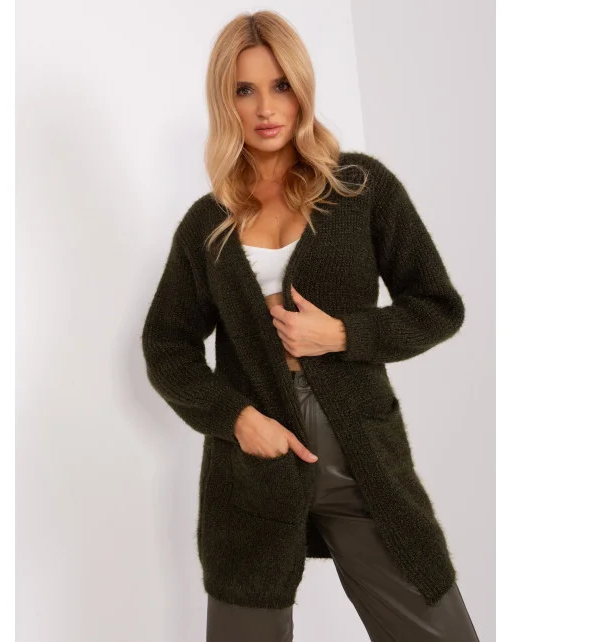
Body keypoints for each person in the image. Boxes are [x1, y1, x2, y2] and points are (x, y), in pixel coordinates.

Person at [141, 10, 480, 642]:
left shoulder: (360, 189)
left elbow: (438, 305)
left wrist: (344, 335)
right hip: (255, 462)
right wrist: (237, 419)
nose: (266, 107)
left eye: (281, 85)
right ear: (225, 102)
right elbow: (166, 345)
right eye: (245, 90)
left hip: (361, 455)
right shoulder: (206, 224)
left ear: (302, 88)